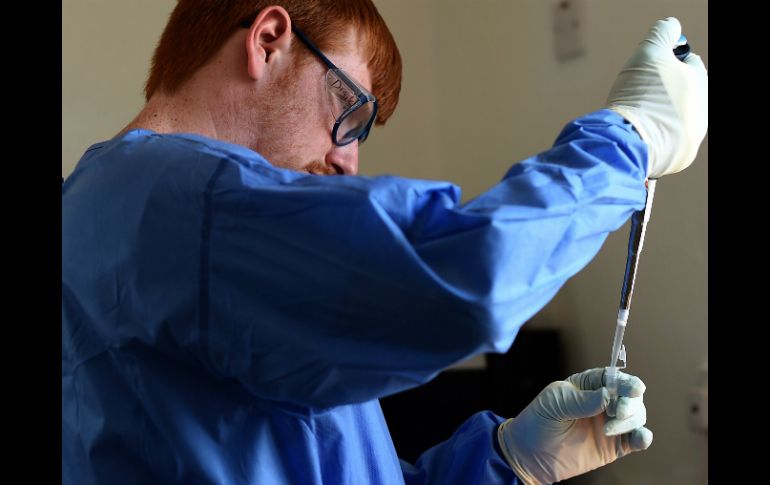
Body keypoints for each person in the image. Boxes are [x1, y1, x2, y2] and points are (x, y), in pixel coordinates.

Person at [61, 1, 708, 483]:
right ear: (268, 40)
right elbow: (470, 276)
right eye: (352, 114)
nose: (348, 161)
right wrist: (629, 139)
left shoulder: (106, 211)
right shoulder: (183, 202)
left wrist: (507, 457)